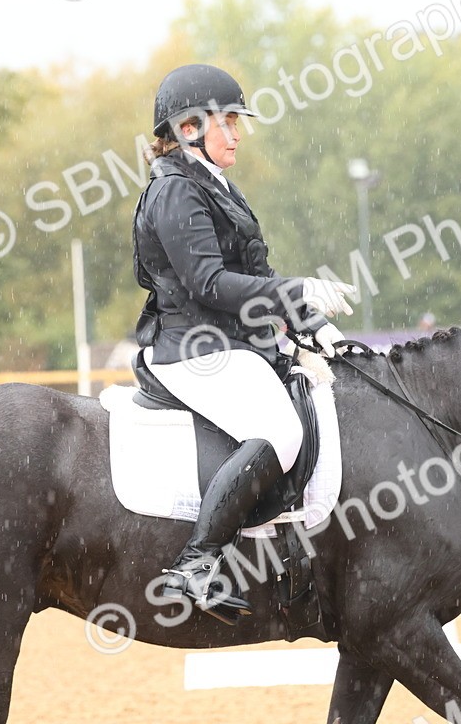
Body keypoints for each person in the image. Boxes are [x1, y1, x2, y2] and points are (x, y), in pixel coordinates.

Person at [133, 64, 355, 624]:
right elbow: (209, 283)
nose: (236, 133)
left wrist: (310, 323)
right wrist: (298, 288)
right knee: (280, 431)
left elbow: (255, 271)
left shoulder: (216, 186)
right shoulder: (176, 191)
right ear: (188, 128)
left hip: (231, 345)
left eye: (236, 121)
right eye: (226, 121)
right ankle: (197, 561)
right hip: (194, 349)